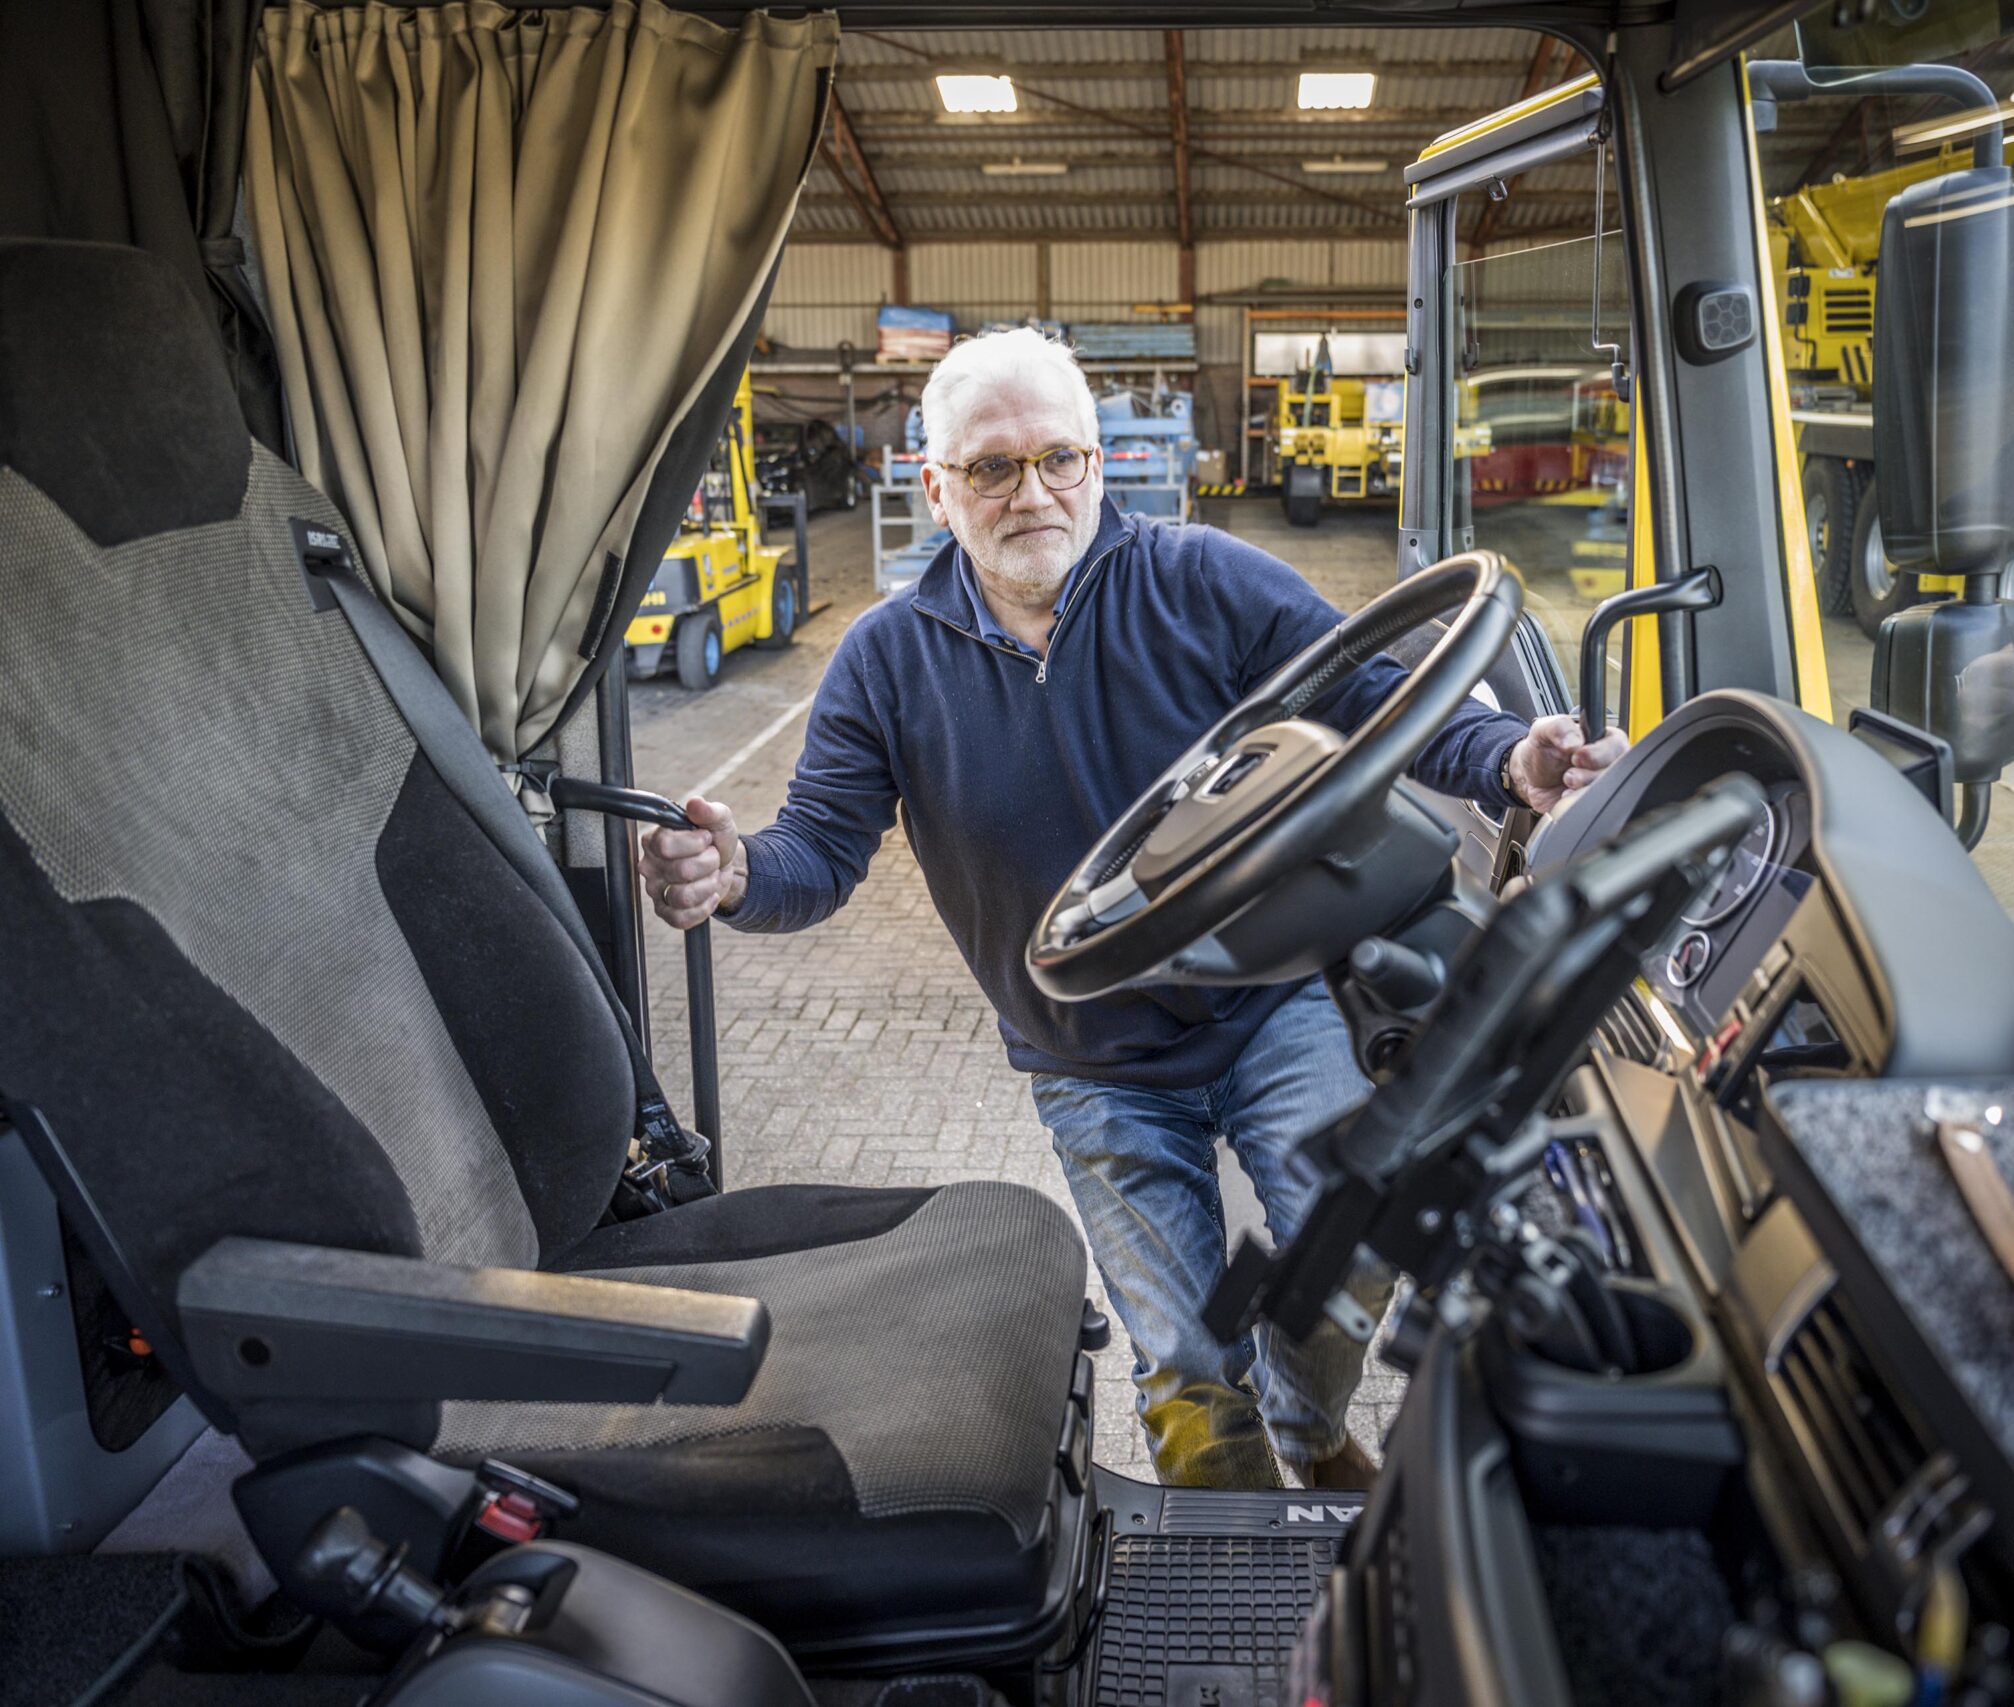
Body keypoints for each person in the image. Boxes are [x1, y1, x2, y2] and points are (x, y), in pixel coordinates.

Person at [638, 329, 1627, 1490]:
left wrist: (1509, 756)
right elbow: (817, 847)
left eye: (1058, 458)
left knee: (1349, 1259)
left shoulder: (1204, 581)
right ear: (935, 489)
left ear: (1098, 464)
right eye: (992, 468)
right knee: (1187, 1379)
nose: (1033, 493)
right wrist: (738, 876)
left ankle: (1308, 1426)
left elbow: (1374, 696)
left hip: (1272, 1005)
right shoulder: (885, 660)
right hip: (1091, 1055)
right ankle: (1231, 1512)